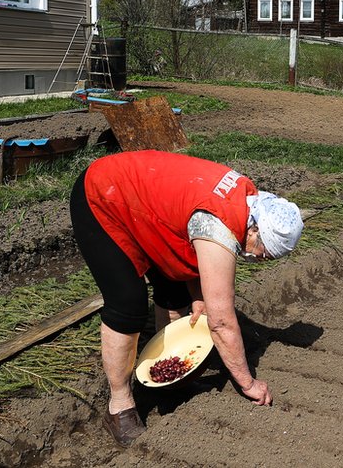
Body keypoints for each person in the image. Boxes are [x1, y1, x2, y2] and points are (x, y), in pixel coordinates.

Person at [69, 150, 304, 446]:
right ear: (255, 228)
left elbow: (189, 230)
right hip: (103, 196)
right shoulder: (221, 223)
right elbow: (220, 321)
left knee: (174, 286)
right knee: (128, 303)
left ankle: (168, 382)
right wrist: (248, 382)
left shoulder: (249, 203)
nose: (258, 259)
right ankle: (119, 408)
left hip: (145, 201)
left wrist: (197, 294)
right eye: (262, 252)